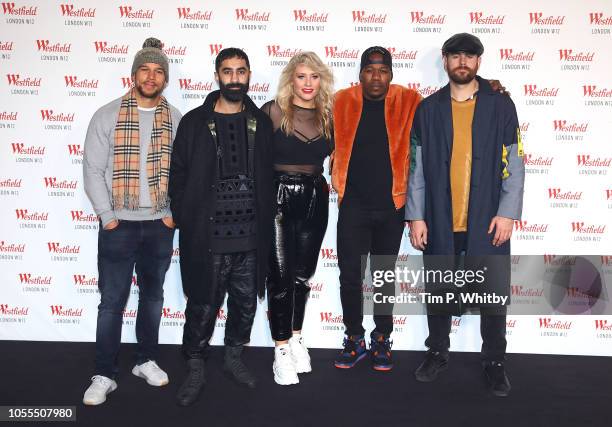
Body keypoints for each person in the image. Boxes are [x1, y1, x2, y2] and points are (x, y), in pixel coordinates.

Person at [406, 33, 525, 397]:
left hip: (487, 218)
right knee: (439, 288)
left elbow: (515, 162)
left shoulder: (501, 107)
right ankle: (437, 351)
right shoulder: (428, 109)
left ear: (478, 62)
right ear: (444, 61)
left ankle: (494, 361)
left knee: (492, 293)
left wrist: (507, 213)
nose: (462, 62)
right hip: (440, 218)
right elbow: (417, 167)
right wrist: (416, 216)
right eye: (455, 56)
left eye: (469, 56)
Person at [169, 48, 274, 406]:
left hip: (249, 237)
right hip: (207, 235)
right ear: (217, 75)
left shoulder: (261, 121)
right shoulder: (195, 122)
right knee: (202, 305)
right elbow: (178, 173)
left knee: (245, 305)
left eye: (240, 71)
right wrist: (184, 215)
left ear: (249, 75)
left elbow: (270, 174)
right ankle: (195, 365)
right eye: (227, 71)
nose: (234, 78)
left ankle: (232, 358)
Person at [82, 38, 182, 405]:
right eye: (145, 69)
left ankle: (146, 360)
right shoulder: (107, 115)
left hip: (159, 225)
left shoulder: (175, 119)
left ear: (166, 79)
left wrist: (172, 214)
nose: (151, 76)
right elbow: (92, 170)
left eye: (159, 71)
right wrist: (108, 218)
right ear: (133, 74)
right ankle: (103, 374)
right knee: (111, 302)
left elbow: (183, 172)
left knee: (153, 298)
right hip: (118, 226)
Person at [331, 47, 421, 371]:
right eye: (370, 70)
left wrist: (490, 88)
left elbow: (441, 113)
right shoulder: (341, 102)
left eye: (383, 70)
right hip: (353, 206)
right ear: (360, 73)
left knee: (383, 277)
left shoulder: (410, 101)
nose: (376, 76)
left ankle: (381, 337)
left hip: (392, 207)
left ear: (392, 74)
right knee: (350, 278)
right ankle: (354, 338)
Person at [261, 52, 334, 385]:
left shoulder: (329, 114)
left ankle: (296, 338)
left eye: (314, 77)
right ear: (291, 79)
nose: (308, 83)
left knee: (303, 276)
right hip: (277, 196)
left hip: (316, 195)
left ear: (321, 80)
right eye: (302, 76)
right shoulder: (273, 111)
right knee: (280, 277)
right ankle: (280, 350)